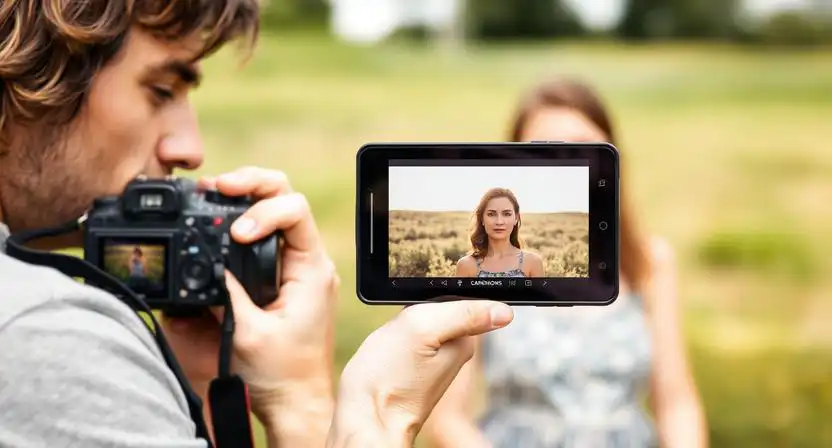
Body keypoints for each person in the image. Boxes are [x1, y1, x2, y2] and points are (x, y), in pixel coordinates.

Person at [0, 2, 515, 447]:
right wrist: (334, 408)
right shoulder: (47, 333)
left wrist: (188, 382)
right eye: (160, 90)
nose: (189, 148)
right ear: (27, 70)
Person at [425, 78, 708, 447]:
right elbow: (447, 418)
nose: (570, 164)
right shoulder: (482, 268)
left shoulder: (648, 260)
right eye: (545, 152)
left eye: (586, 148)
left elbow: (676, 403)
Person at [455, 187, 545, 278]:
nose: (499, 221)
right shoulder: (466, 265)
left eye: (507, 214)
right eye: (491, 214)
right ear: (482, 219)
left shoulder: (533, 262)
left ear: (516, 218)